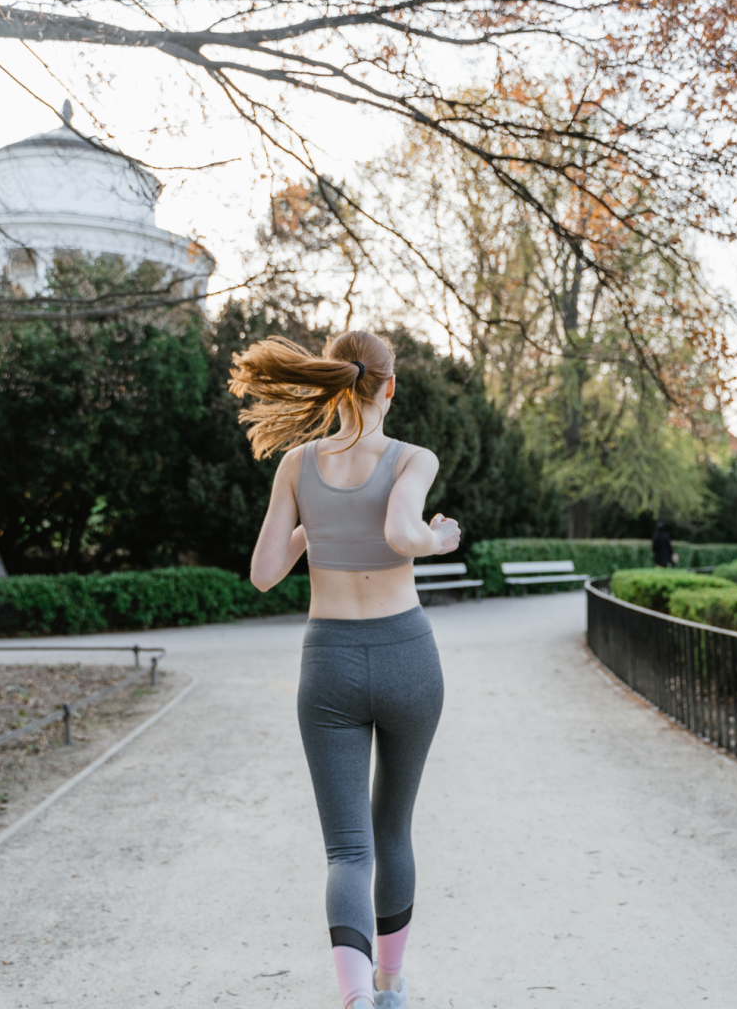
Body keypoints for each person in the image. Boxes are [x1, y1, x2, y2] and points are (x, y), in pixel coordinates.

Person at [229, 331, 460, 1009]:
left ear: (332, 385)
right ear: (388, 385)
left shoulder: (296, 465)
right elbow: (400, 533)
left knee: (347, 852)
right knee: (393, 831)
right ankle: (391, 985)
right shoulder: (413, 457)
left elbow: (265, 574)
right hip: (407, 659)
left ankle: (355, 997)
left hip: (327, 662)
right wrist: (439, 540)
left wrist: (315, 526)